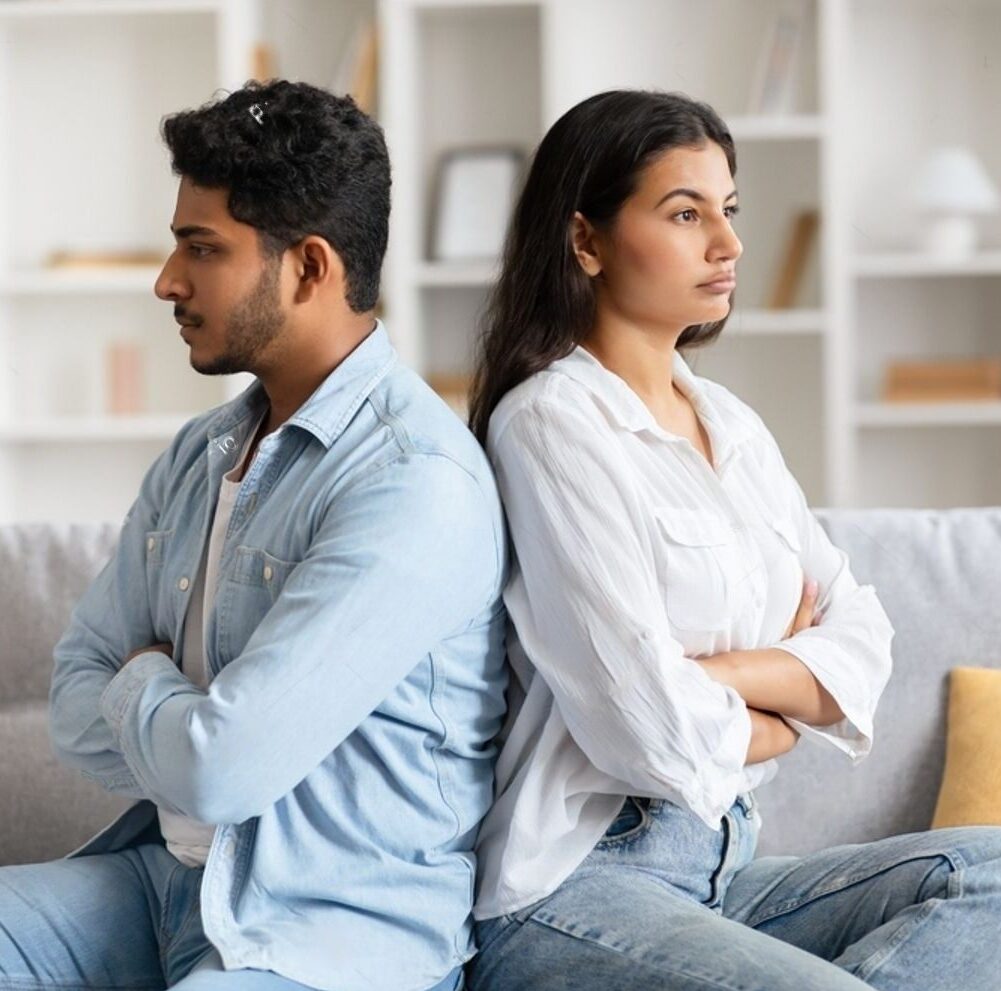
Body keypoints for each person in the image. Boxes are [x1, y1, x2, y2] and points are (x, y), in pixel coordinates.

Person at [464, 89, 1001, 991]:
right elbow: (642, 730)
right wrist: (789, 701)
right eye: (684, 213)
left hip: (724, 873)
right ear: (584, 241)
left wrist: (716, 675)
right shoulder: (550, 426)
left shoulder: (731, 425)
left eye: (729, 209)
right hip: (575, 889)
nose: (728, 242)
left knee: (990, 874)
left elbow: (865, 641)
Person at [0, 81, 508, 991]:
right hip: (158, 884)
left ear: (308, 268)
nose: (167, 280)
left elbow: (222, 770)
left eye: (202, 249)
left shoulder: (412, 483)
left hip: (326, 936)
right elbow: (74, 704)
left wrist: (146, 675)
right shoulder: (200, 453)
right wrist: (184, 728)